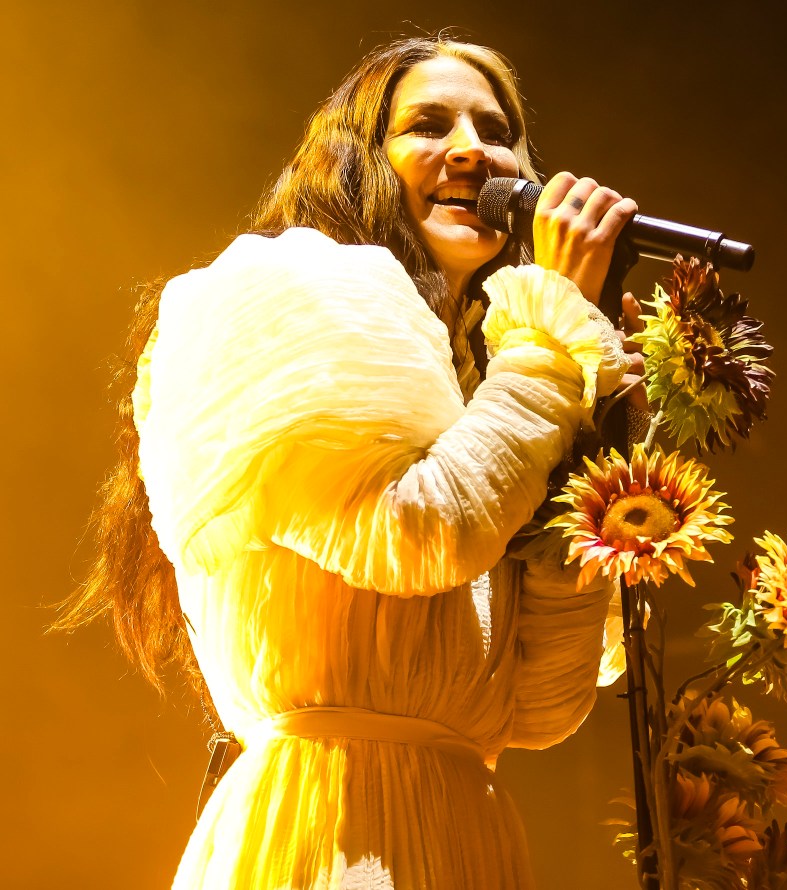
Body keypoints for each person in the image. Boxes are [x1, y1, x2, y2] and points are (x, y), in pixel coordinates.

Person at [61, 35, 647, 889]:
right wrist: (551, 331)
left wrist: (592, 444)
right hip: (332, 822)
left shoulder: (490, 379)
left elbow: (539, 708)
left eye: (497, 131)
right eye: (428, 125)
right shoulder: (289, 290)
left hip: (465, 832)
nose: (473, 150)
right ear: (356, 162)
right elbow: (418, 534)